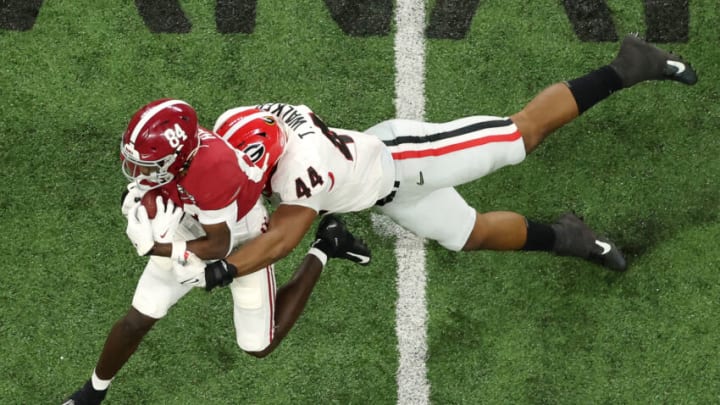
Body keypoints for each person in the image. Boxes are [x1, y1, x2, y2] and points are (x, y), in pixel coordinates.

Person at [187, 34, 697, 286]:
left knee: (521, 134)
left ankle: (631, 64)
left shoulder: (303, 172)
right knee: (468, 235)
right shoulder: (240, 123)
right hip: (388, 192)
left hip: (409, 157)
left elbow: (281, 238)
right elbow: (219, 163)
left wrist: (226, 270)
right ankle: (570, 237)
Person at [62, 100, 371, 405]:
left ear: (179, 158)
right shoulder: (178, 160)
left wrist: (158, 247)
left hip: (242, 235)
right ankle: (91, 395)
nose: (137, 171)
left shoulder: (214, 170)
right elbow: (156, 187)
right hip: (194, 220)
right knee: (139, 317)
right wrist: (135, 203)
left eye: (147, 166)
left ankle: (327, 245)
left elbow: (219, 246)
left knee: (259, 345)